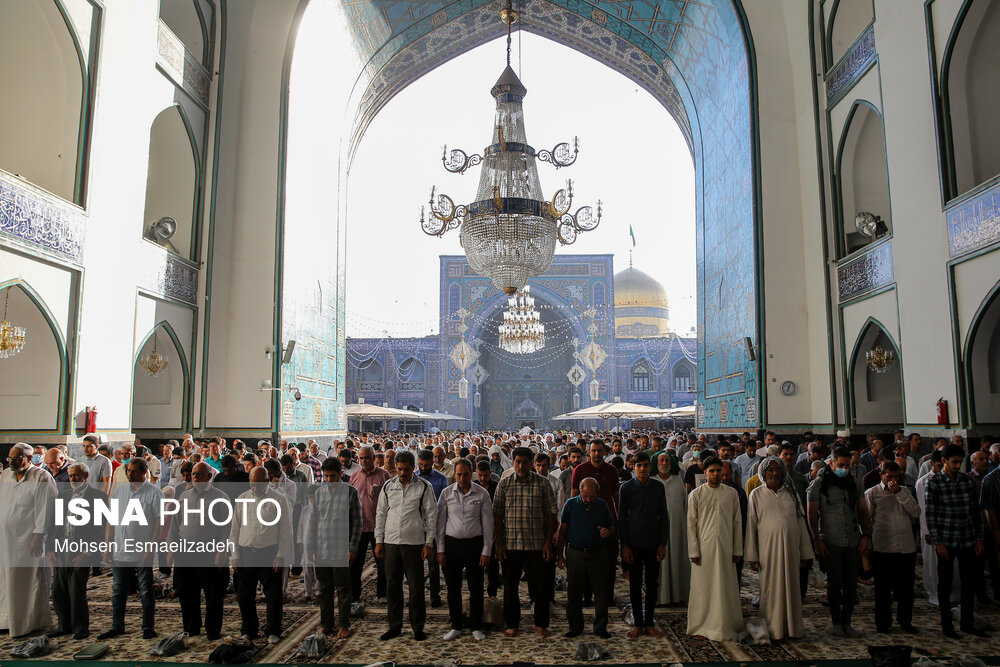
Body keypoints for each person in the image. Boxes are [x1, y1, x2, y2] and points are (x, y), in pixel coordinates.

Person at [745, 457, 814, 641]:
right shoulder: (757, 495)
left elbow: (801, 522)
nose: (774, 473)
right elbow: (751, 525)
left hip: (791, 550)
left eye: (777, 470)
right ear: (763, 473)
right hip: (768, 550)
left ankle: (792, 628)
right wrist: (752, 554)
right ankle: (773, 628)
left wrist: (805, 551)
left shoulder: (791, 493)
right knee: (770, 588)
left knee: (791, 587)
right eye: (770, 470)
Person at [925, 444, 988, 638]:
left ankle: (967, 623)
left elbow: (976, 513)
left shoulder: (966, 481)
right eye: (954, 462)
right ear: (944, 461)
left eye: (960, 462)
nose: (958, 465)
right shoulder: (934, 483)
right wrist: (938, 542)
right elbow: (931, 515)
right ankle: (947, 626)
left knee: (969, 582)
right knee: (945, 583)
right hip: (946, 539)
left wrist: (979, 538)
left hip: (967, 538)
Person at [807, 447, 871, 637]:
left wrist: (865, 534)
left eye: (848, 465)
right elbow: (811, 515)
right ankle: (836, 622)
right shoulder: (818, 485)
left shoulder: (855, 484)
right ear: (832, 463)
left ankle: (847, 621)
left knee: (851, 583)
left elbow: (862, 511)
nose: (844, 469)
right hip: (830, 540)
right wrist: (816, 540)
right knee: (834, 583)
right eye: (840, 465)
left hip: (852, 540)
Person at [493, 446, 558, 638]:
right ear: (513, 462)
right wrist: (499, 544)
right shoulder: (504, 484)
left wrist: (548, 542)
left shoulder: (542, 484)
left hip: (536, 545)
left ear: (531, 463)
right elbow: (497, 516)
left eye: (525, 462)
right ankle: (512, 624)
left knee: (540, 588)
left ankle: (540, 624)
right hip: (511, 545)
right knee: (510, 587)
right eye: (518, 462)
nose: (521, 466)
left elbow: (550, 514)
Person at [374, 450, 437, 641]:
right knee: (392, 586)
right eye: (399, 469)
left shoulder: (424, 487)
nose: (402, 473)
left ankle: (418, 627)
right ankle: (395, 626)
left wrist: (428, 543)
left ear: (413, 468)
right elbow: (381, 514)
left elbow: (431, 515)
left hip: (414, 543)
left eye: (406, 470)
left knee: (416, 587)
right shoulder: (388, 486)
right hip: (391, 542)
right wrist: (378, 540)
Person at [99, 457, 164, 640]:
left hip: (143, 549)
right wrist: (108, 544)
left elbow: (158, 523)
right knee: (118, 590)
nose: (130, 474)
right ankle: (117, 626)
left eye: (134, 471)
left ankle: (147, 626)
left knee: (145, 589)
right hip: (121, 548)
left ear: (144, 472)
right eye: (128, 471)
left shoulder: (154, 493)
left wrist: (150, 548)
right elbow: (111, 520)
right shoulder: (119, 491)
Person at [167, 462, 231, 640]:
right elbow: (175, 524)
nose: (194, 477)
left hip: (209, 551)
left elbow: (226, 527)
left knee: (213, 594)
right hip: (185, 551)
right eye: (193, 474)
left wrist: (221, 550)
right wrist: (172, 547)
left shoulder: (221, 498)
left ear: (209, 477)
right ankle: (191, 627)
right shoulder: (183, 496)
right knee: (187, 592)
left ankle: (213, 630)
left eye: (199, 474)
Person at [230, 466, 294, 644]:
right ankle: (249, 629)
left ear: (267, 481)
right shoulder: (242, 499)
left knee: (273, 596)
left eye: (258, 484)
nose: (255, 487)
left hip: (269, 553)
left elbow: (285, 530)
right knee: (244, 596)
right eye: (252, 483)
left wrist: (280, 555)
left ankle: (273, 630)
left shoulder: (279, 500)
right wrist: (234, 554)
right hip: (245, 553)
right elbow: (234, 529)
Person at [0, 443, 57, 637]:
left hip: (27, 541)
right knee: (5, 580)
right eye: (10, 459)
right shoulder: (6, 475)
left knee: (27, 580)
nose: (12, 463)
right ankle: (6, 620)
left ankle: (28, 623)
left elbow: (46, 510)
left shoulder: (41, 477)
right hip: (5, 540)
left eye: (17, 459)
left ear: (29, 458)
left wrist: (38, 535)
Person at [686, 456, 744, 641]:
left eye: (718, 471)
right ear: (705, 473)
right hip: (704, 550)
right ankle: (702, 625)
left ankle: (727, 624)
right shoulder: (696, 495)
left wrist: (737, 550)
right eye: (712, 471)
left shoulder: (731, 493)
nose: (716, 474)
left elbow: (737, 522)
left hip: (727, 548)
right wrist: (694, 551)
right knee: (704, 588)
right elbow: (691, 525)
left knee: (726, 587)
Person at [436, 458, 493, 641]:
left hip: (474, 545)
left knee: (476, 588)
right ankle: (456, 625)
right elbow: (440, 524)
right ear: (454, 474)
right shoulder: (446, 494)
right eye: (459, 474)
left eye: (466, 474)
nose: (462, 478)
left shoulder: (482, 494)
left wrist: (486, 550)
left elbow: (488, 524)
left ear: (472, 473)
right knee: (453, 587)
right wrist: (441, 549)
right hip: (451, 545)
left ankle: (476, 626)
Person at [47, 463, 103, 640]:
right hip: (61, 546)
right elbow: (53, 525)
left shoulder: (97, 497)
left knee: (76, 589)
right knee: (58, 590)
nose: (72, 479)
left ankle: (80, 627)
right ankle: (63, 626)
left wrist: (87, 552)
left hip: (81, 549)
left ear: (86, 476)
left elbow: (100, 528)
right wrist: (50, 550)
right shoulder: (63, 497)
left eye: (76, 476)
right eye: (70, 476)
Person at [865, 460, 920, 634]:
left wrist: (900, 495)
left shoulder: (904, 491)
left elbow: (916, 512)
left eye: (896, 477)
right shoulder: (872, 493)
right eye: (889, 476)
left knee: (906, 589)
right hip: (884, 547)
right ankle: (883, 623)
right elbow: (866, 520)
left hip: (905, 548)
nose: (893, 480)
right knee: (883, 590)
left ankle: (905, 621)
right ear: (881, 475)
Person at [309, 458, 362, 640]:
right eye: (326, 476)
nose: (329, 480)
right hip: (322, 548)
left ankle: (344, 624)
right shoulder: (319, 493)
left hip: (341, 549)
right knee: (324, 589)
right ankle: (326, 623)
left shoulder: (351, 492)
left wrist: (353, 548)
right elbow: (313, 521)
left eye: (333, 476)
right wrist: (310, 546)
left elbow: (357, 523)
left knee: (343, 589)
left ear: (340, 474)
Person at [557, 477, 614, 639]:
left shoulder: (602, 505)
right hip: (575, 554)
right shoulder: (570, 505)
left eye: (591, 496)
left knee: (601, 592)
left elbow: (611, 528)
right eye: (585, 496)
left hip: (598, 553)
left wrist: (607, 532)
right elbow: (562, 532)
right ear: (580, 492)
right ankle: (575, 627)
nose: (588, 499)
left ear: (597, 493)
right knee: (574, 593)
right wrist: (559, 555)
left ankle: (600, 627)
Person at [618, 451, 668, 638]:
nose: (642, 469)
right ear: (633, 467)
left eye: (645, 465)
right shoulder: (626, 488)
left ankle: (649, 622)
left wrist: (663, 543)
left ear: (649, 467)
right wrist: (625, 546)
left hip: (653, 542)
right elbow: (622, 519)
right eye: (638, 465)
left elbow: (664, 516)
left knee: (652, 584)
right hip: (634, 543)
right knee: (635, 584)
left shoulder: (658, 487)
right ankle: (638, 623)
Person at [348, 446, 390, 604]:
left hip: (378, 527)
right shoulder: (354, 477)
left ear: (373, 457)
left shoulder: (383, 475)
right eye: (361, 458)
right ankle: (354, 595)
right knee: (355, 564)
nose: (364, 461)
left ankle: (382, 594)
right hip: (358, 528)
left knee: (382, 563)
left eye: (367, 458)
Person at [652, 451, 689, 605]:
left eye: (667, 460)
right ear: (656, 463)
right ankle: (662, 597)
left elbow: (685, 506)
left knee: (677, 560)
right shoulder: (651, 481)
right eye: (661, 461)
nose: (665, 463)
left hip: (677, 529)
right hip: (657, 530)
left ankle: (678, 595)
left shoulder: (678, 481)